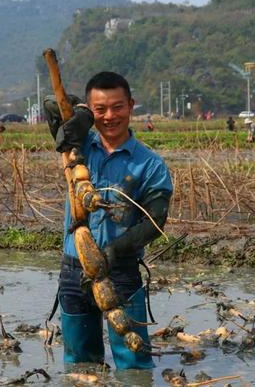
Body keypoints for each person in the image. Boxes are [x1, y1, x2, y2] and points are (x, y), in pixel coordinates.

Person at [43, 72, 173, 370]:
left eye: (118, 107)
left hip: (121, 270)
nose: (110, 116)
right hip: (73, 269)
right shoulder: (77, 146)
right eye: (100, 109)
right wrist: (82, 117)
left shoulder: (150, 165)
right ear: (90, 109)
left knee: (134, 361)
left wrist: (113, 251)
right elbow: (52, 104)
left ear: (131, 105)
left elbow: (155, 221)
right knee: (79, 362)